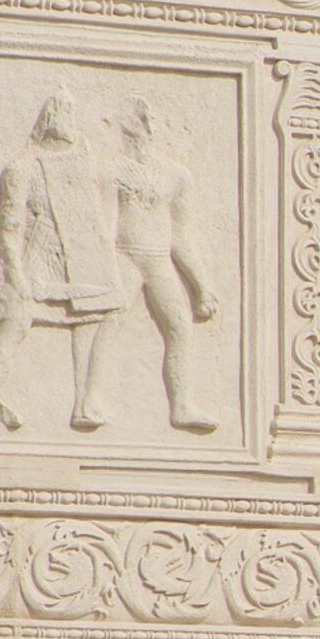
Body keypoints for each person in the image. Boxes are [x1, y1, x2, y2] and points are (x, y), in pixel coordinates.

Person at [0, 92, 126, 433]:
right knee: (14, 325)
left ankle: (86, 400)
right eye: (63, 112)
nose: (69, 119)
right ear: (48, 119)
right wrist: (16, 274)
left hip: (84, 260)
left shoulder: (83, 161)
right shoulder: (22, 166)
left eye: (72, 113)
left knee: (101, 313)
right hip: (39, 259)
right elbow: (10, 224)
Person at [105, 100, 221, 434]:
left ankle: (182, 406)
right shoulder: (110, 169)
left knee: (180, 327)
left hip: (156, 260)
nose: (126, 137)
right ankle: (89, 399)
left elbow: (180, 236)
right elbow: (103, 225)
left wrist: (202, 285)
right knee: (107, 323)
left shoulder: (176, 176)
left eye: (129, 129)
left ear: (145, 129)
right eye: (123, 131)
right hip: (123, 256)